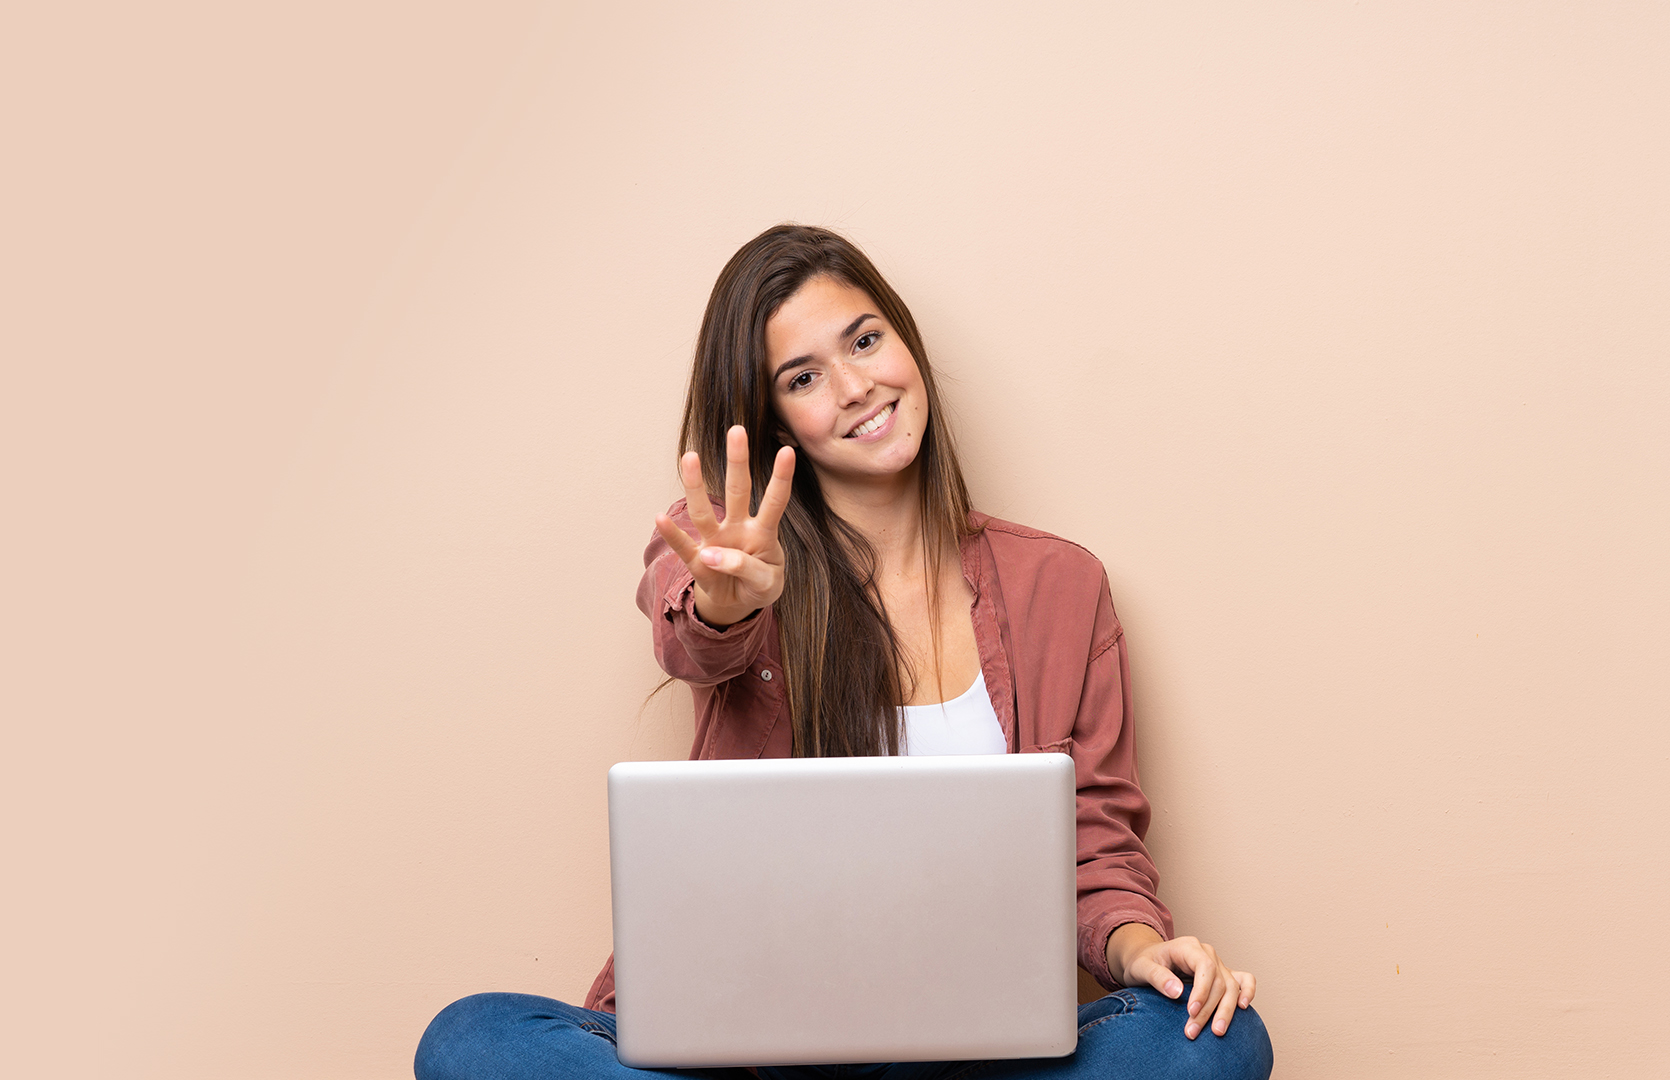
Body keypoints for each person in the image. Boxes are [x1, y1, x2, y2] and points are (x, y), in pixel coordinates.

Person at [415, 225, 1274, 1080]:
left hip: (975, 1056)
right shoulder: (734, 561)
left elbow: (1094, 844)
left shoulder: (1062, 583)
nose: (859, 386)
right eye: (804, 377)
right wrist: (724, 604)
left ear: (905, 338)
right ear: (771, 418)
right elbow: (690, 625)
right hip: (756, 1061)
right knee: (473, 1041)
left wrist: (1143, 950)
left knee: (1215, 1037)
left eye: (866, 340)